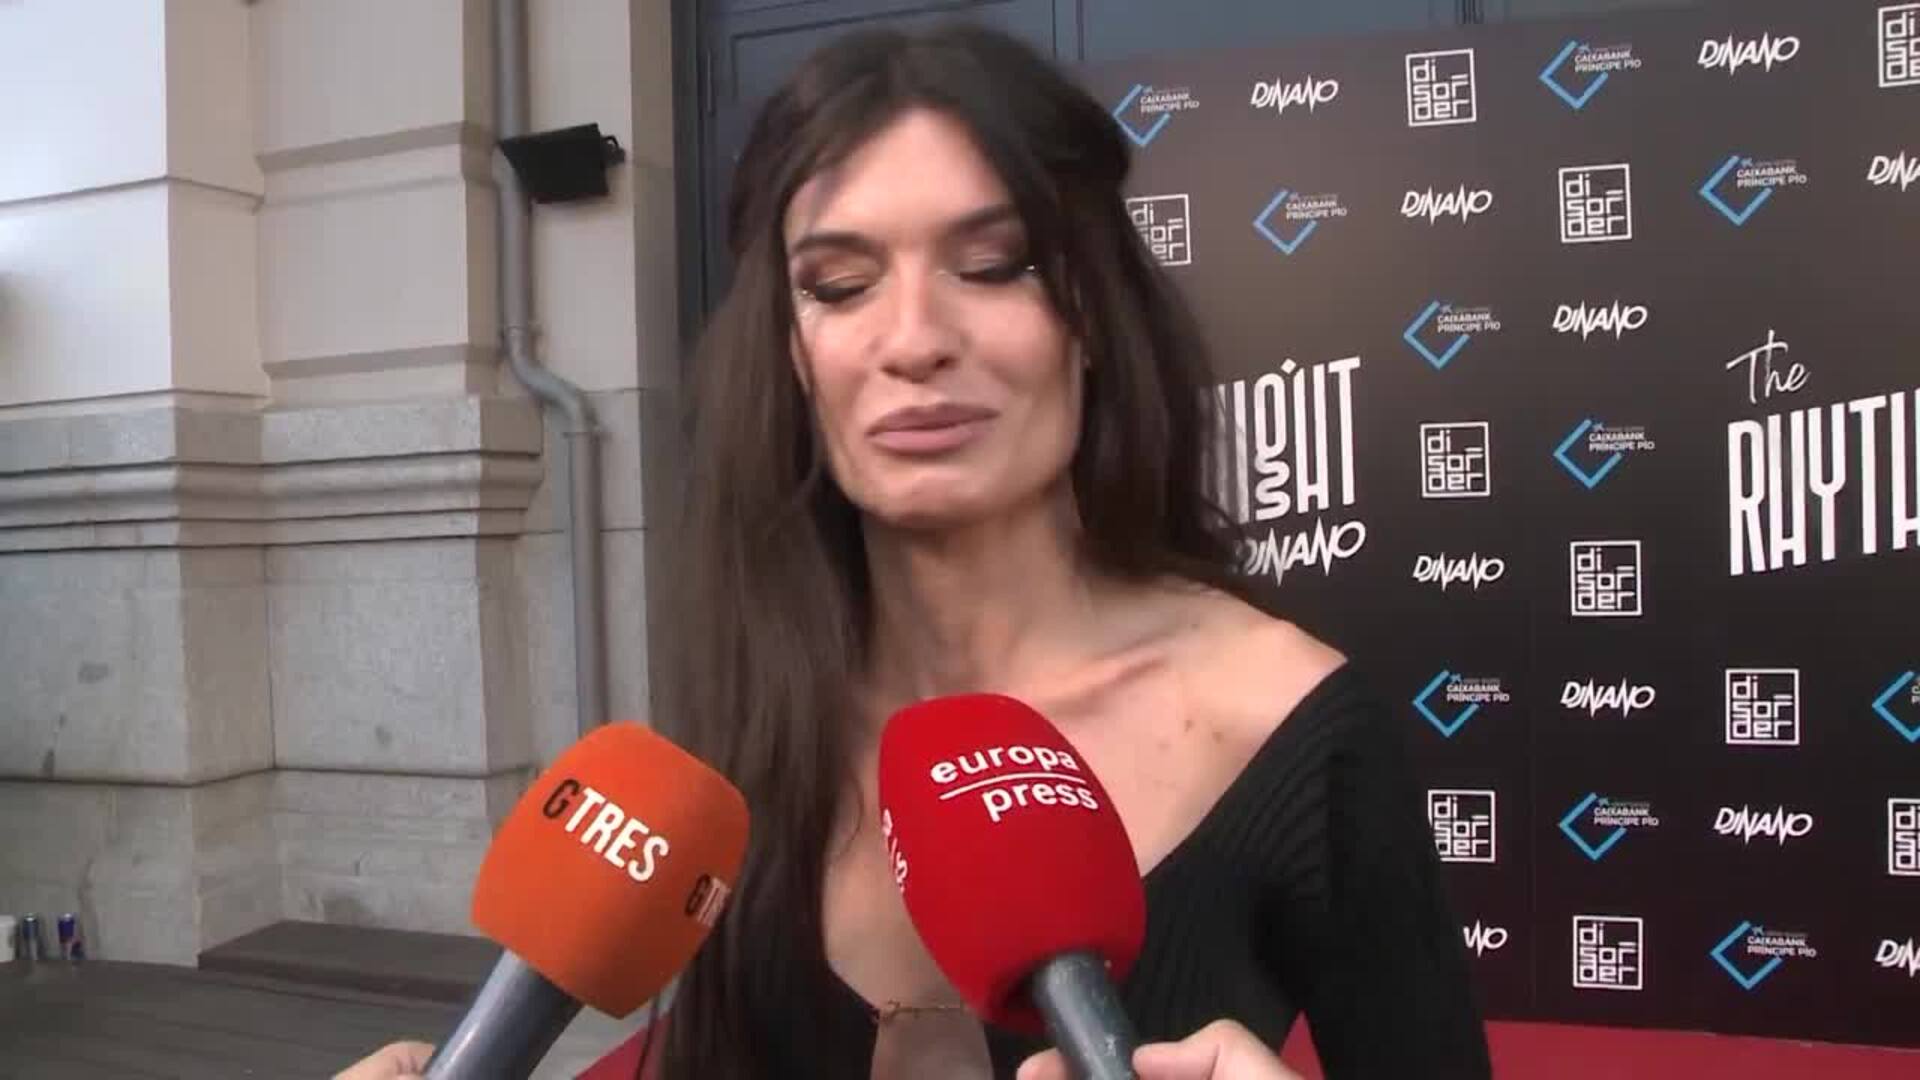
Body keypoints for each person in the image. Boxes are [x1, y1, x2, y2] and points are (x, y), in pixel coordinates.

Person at [341, 19, 1492, 1080]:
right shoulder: (741, 729)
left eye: (994, 266)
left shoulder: (1292, 726)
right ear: (793, 356)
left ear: (1093, 315)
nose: (914, 340)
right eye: (839, 286)